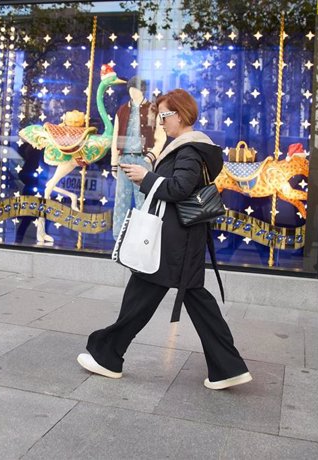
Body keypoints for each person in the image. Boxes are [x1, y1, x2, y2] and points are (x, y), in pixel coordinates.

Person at [78, 89, 252, 390]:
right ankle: (227, 367)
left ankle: (108, 356)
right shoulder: (192, 148)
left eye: (164, 115)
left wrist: (144, 178)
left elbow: (180, 188)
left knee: (142, 297)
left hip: (171, 241)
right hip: (181, 239)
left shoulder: (189, 149)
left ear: (181, 115)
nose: (160, 122)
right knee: (193, 300)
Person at [110, 76, 164, 239]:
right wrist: (114, 162)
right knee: (121, 198)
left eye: (136, 90)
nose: (133, 93)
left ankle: (144, 237)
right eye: (130, 90)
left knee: (144, 199)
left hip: (143, 159)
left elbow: (160, 137)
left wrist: (150, 156)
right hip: (124, 158)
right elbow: (115, 137)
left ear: (142, 90)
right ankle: (118, 235)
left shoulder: (153, 110)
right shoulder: (122, 110)